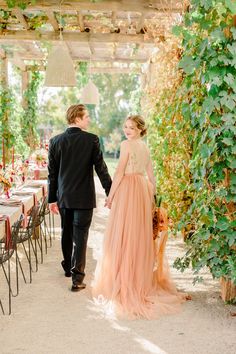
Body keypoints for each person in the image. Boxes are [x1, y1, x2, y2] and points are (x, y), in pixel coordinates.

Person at [92, 115, 186, 319]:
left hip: (128, 189)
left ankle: (125, 282)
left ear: (140, 130)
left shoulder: (127, 145)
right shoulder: (144, 146)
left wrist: (111, 195)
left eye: (132, 128)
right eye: (125, 127)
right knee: (138, 234)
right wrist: (152, 197)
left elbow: (118, 172)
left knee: (124, 234)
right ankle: (138, 281)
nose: (127, 131)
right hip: (142, 189)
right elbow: (151, 176)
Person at [48, 104, 112, 292]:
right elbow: (101, 169)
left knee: (66, 232)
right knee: (81, 236)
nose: (89, 119)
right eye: (86, 117)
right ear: (77, 118)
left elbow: (52, 174)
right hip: (84, 197)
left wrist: (52, 199)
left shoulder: (55, 141)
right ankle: (77, 279)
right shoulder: (91, 140)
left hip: (64, 197)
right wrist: (110, 191)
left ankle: (68, 266)